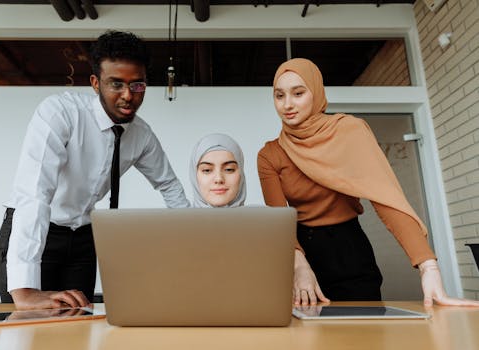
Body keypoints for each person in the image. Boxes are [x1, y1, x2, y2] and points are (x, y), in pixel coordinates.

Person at [257, 58, 479, 307]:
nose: (287, 104)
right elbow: (280, 221)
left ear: (316, 92)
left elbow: (386, 199)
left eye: (298, 93)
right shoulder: (269, 155)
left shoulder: (350, 131)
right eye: (279, 96)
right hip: (299, 251)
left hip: (348, 246)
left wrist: (428, 267)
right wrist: (298, 266)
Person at [0, 30, 189, 310]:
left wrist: (196, 240)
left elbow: (169, 186)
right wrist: (25, 291)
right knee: (30, 330)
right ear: (96, 83)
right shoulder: (59, 113)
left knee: (76, 327)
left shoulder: (142, 135)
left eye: (137, 85)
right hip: (38, 233)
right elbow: (34, 193)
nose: (127, 96)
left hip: (83, 239)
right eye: (116, 84)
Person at [189, 133, 246, 208]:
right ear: (194, 175)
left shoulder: (260, 218)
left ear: (241, 174)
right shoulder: (179, 219)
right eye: (207, 170)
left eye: (229, 169)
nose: (219, 179)